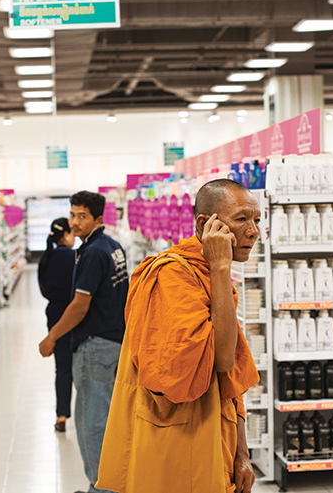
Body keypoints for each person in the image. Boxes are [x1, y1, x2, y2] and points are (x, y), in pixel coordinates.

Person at [96, 178, 260, 493]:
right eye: (241, 219)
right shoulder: (172, 276)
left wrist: (242, 453)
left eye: (256, 220)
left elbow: (231, 381)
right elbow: (222, 360)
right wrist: (221, 268)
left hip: (218, 436)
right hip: (174, 442)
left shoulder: (211, 274)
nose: (253, 231)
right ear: (204, 223)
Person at [39, 191, 129, 493]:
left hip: (95, 346)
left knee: (92, 423)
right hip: (115, 340)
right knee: (106, 419)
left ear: (98, 219)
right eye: (72, 214)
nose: (75, 222)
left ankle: (100, 488)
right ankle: (110, 483)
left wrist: (52, 337)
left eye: (82, 216)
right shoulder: (113, 247)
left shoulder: (92, 253)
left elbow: (79, 305)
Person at [38, 217, 76, 433]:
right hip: (74, 313)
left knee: (62, 367)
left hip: (53, 313)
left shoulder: (46, 258)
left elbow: (43, 290)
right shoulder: (75, 257)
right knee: (79, 365)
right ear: (65, 235)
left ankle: (61, 416)